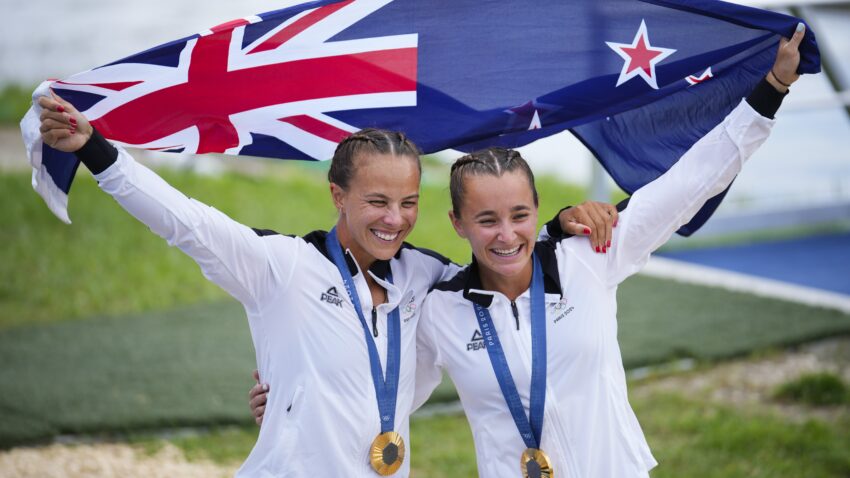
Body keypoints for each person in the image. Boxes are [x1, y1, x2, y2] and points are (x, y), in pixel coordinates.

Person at [249, 24, 806, 478]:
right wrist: (293, 401)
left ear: (538, 211)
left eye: (519, 216)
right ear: (458, 224)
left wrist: (771, 92)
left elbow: (689, 183)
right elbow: (385, 387)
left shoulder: (591, 255)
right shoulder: (442, 308)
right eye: (486, 220)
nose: (506, 235)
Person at [36, 93, 616, 475]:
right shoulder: (280, 267)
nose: (395, 219)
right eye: (377, 202)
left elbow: (501, 256)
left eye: (409, 203)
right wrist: (94, 149)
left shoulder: (426, 276)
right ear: (338, 195)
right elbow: (185, 221)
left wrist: (556, 226)